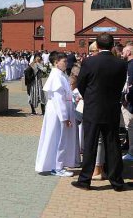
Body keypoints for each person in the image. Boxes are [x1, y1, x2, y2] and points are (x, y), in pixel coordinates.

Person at [72, 33, 128, 191]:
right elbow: (120, 84)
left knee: (90, 144)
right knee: (113, 145)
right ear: (112, 45)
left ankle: (84, 180)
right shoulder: (121, 63)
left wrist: (89, 98)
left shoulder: (89, 62)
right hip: (112, 108)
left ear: (97, 45)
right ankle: (117, 181)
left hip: (93, 108)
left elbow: (81, 84)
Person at [35, 51, 79, 177]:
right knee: (60, 139)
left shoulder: (60, 74)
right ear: (55, 62)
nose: (66, 63)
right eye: (64, 61)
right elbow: (58, 99)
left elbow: (65, 94)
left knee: (58, 138)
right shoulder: (56, 76)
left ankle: (58, 164)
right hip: (58, 113)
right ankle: (57, 167)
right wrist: (64, 117)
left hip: (58, 112)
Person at [121, 44, 133, 161]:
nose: (121, 53)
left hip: (130, 102)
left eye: (123, 51)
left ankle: (131, 152)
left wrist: (126, 99)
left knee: (130, 127)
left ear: (129, 52)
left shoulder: (131, 66)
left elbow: (130, 85)